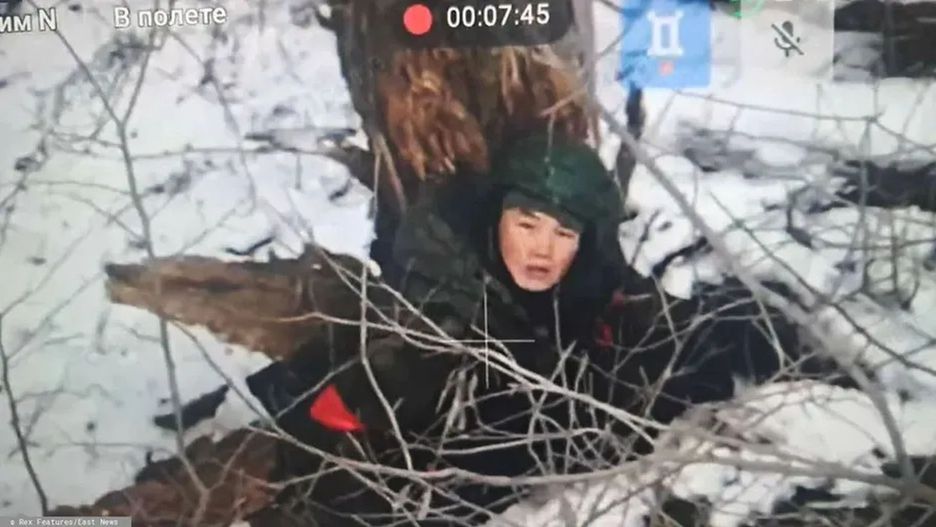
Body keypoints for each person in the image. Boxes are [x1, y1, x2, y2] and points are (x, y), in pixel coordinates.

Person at [246, 133, 630, 525]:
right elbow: (326, 443)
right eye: (527, 225)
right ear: (495, 220)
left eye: (564, 234)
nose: (543, 249)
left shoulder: (589, 304)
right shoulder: (431, 330)